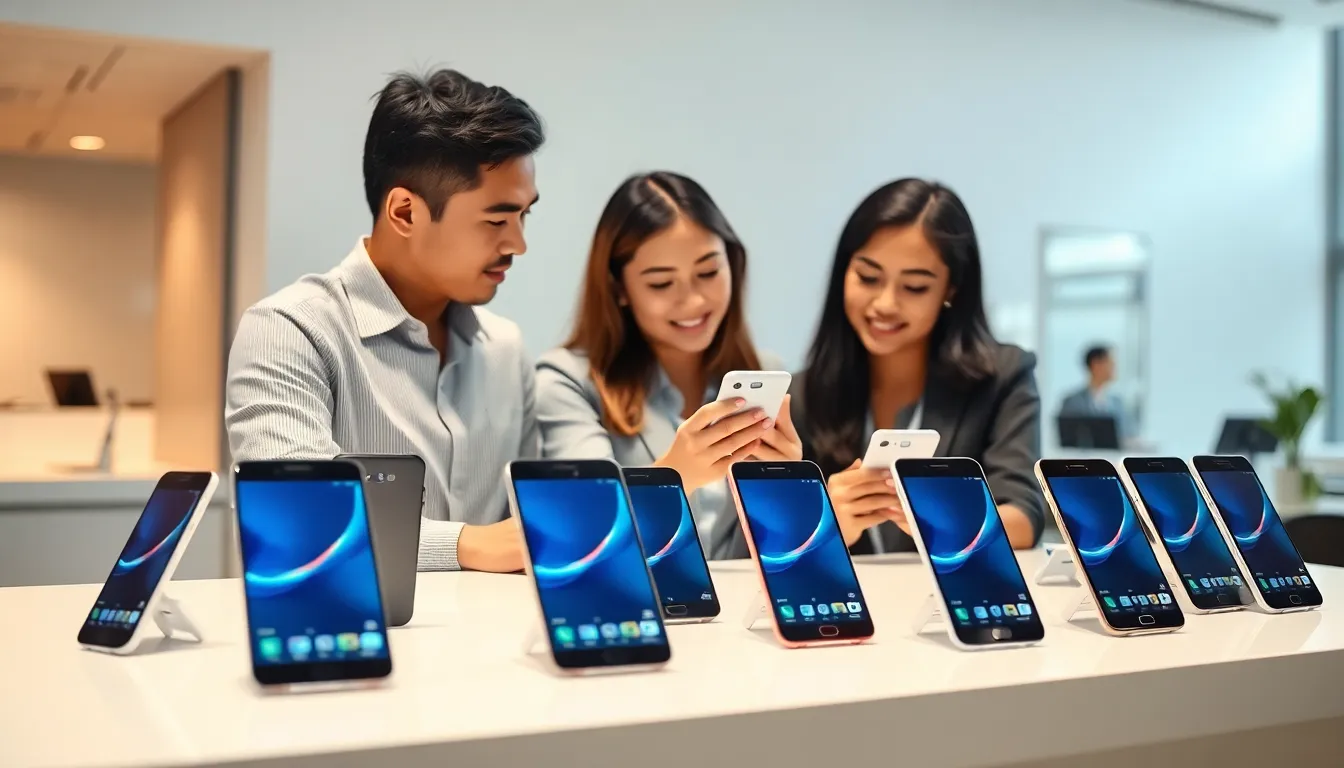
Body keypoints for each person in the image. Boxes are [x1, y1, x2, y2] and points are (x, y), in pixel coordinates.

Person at [225, 69, 544, 573]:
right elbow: (298, 522)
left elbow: (534, 524)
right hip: (353, 644)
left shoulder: (506, 348)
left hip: (503, 645)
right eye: (497, 220)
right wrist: (472, 545)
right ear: (404, 212)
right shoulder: (290, 331)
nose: (518, 244)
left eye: (526, 215)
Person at [535, 172, 802, 559]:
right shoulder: (566, 381)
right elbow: (588, 530)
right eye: (661, 284)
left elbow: (767, 553)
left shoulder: (765, 372)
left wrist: (785, 492)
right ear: (619, 289)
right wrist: (675, 474)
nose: (693, 301)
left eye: (709, 273)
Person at [776, 178, 1043, 556]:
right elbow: (773, 536)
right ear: (843, 273)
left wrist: (947, 519)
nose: (885, 303)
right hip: (847, 609)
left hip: (951, 607)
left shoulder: (1002, 376)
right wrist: (823, 521)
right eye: (868, 278)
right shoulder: (801, 396)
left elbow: (1024, 517)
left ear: (951, 289)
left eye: (915, 287)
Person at [1060, 344, 1132, 439]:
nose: (1115, 367)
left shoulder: (1118, 403)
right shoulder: (1072, 402)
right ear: (1095, 364)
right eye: (1111, 362)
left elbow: (1129, 434)